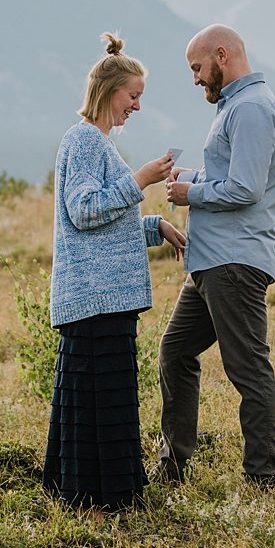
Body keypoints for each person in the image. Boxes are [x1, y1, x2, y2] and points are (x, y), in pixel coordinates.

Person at [44, 32, 187, 512]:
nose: (137, 106)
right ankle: (108, 498)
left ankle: (94, 495)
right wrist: (141, 180)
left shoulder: (95, 142)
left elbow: (107, 222)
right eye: (134, 96)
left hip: (100, 298)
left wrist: (157, 227)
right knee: (102, 400)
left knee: (98, 399)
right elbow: (83, 210)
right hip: (95, 299)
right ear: (109, 92)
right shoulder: (85, 140)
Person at [159, 23, 275, 487]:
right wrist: (191, 175)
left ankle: (262, 477)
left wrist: (191, 192)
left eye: (197, 67)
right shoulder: (236, 106)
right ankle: (174, 466)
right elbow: (232, 172)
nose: (195, 78)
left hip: (233, 262)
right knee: (175, 351)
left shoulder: (252, 108)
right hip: (210, 262)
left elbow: (246, 188)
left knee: (248, 368)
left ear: (222, 55)